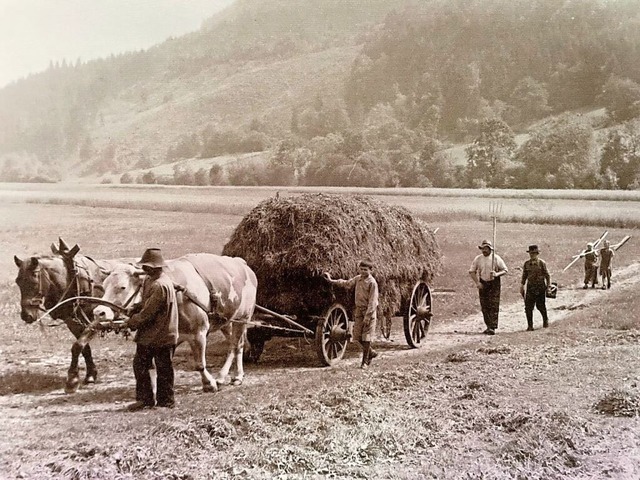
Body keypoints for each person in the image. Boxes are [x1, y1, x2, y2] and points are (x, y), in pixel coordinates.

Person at [123, 248, 179, 411]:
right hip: (149, 334)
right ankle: (145, 399)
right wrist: (134, 308)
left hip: (163, 333)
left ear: (155, 268)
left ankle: (166, 402)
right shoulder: (149, 281)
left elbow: (148, 313)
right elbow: (146, 304)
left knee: (164, 369)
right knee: (140, 364)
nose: (144, 269)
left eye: (146, 266)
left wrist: (131, 322)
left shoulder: (160, 285)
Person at [323, 260, 379, 368]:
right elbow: (347, 283)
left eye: (365, 270)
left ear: (370, 270)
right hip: (359, 310)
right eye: (361, 269)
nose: (363, 271)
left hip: (369, 312)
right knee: (356, 337)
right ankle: (370, 353)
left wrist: (368, 316)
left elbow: (373, 302)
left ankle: (365, 362)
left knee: (366, 337)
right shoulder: (358, 279)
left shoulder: (372, 283)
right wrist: (331, 281)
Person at [468, 240, 508, 335]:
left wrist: (497, 274)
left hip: (494, 283)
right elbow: (472, 271)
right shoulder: (478, 259)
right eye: (483, 248)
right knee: (484, 305)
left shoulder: (496, 258)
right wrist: (477, 282)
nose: (484, 250)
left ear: (490, 249)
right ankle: (488, 326)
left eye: (486, 248)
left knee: (493, 305)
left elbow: (505, 270)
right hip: (483, 283)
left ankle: (492, 327)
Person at [520, 245, 551, 331]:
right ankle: (530, 326)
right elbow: (524, 276)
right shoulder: (526, 264)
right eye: (531, 253)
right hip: (530, 287)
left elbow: (547, 275)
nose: (532, 255)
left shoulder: (542, 263)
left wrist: (548, 287)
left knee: (540, 306)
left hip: (540, 287)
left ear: (537, 254)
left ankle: (545, 320)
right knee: (528, 307)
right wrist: (522, 286)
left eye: (534, 253)